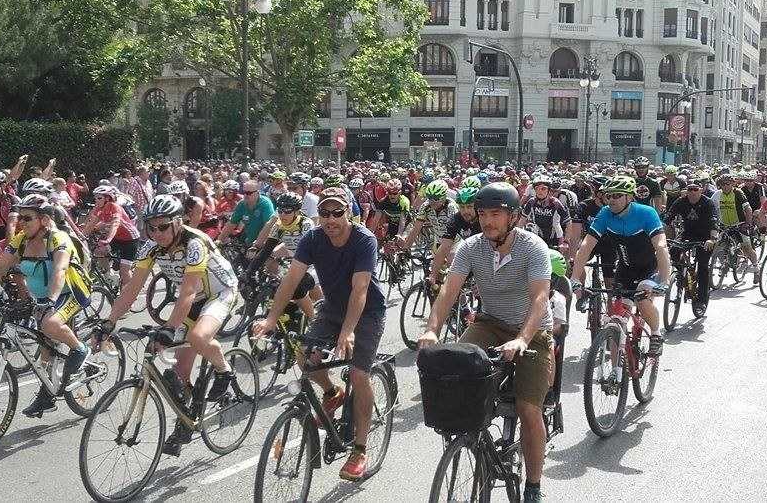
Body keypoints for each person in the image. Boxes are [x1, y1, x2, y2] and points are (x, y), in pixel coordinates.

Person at [417, 182, 553, 503]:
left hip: (531, 331)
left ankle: (533, 486)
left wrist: (522, 338)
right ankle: (469, 438)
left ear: (514, 217)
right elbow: (449, 293)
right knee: (455, 372)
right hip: (490, 325)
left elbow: (540, 299)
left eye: (496, 214)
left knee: (527, 408)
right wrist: (432, 330)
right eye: (482, 214)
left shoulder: (533, 248)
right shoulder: (470, 248)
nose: (488, 221)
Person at [253, 187, 386, 481]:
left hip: (366, 312)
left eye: (337, 212)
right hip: (332, 307)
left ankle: (360, 449)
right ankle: (331, 392)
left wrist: (348, 332)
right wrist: (272, 317)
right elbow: (291, 278)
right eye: (324, 213)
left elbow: (361, 289)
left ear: (348, 213)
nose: (330, 219)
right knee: (304, 358)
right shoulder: (312, 238)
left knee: (358, 374)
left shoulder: (364, 240)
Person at [103, 195, 241, 454]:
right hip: (193, 299)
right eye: (151, 227)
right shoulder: (150, 247)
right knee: (178, 376)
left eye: (163, 226)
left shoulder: (194, 243)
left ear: (178, 222)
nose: (157, 233)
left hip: (219, 293)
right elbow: (132, 288)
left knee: (199, 337)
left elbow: (188, 291)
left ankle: (223, 369)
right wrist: (109, 321)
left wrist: (168, 328)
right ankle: (186, 421)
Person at [0, 194, 90, 417]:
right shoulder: (20, 240)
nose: (21, 223)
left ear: (44, 220)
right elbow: (0, 266)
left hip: (69, 293)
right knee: (45, 345)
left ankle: (80, 349)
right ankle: (47, 395)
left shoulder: (58, 239)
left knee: (49, 324)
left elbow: (60, 271)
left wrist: (50, 301)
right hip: (43, 298)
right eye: (19, 218)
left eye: (27, 218)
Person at [571, 175, 671, 357]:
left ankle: (656, 334)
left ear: (630, 197)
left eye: (617, 195)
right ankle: (615, 376)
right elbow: (586, 246)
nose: (611, 200)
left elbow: (661, 246)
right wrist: (575, 278)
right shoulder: (605, 214)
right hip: (625, 269)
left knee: (642, 299)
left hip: (649, 269)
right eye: (608, 196)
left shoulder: (646, 213)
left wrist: (664, 281)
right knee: (616, 320)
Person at [663, 179, 720, 314]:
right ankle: (681, 273)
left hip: (705, 238)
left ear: (701, 190)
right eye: (690, 189)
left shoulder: (708, 203)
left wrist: (712, 239)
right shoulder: (681, 201)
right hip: (687, 234)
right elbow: (668, 218)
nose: (692, 192)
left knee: (703, 268)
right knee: (674, 250)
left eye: (695, 189)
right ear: (686, 191)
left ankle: (701, 300)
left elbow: (714, 222)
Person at [81, 185, 141, 288]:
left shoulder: (115, 207)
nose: (96, 200)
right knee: (98, 252)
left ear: (108, 198)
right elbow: (91, 224)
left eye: (99, 198)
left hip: (130, 239)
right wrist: (81, 237)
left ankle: (129, 295)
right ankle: (109, 275)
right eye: (95, 198)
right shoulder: (99, 208)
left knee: (124, 271)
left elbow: (115, 224)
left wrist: (108, 239)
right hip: (117, 238)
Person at [710, 173, 760, 284]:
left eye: (728, 184)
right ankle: (725, 262)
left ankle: (756, 269)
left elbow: (748, 209)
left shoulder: (738, 193)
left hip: (739, 224)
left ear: (732, 184)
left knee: (747, 248)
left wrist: (747, 223)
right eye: (723, 184)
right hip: (724, 224)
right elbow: (710, 207)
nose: (725, 186)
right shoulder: (717, 194)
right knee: (717, 246)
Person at [216, 180, 276, 246]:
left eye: (249, 193)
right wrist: (219, 240)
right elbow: (231, 223)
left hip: (264, 243)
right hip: (248, 241)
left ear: (257, 192)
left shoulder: (265, 203)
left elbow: (269, 226)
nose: (245, 195)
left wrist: (257, 244)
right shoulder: (242, 204)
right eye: (244, 192)